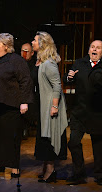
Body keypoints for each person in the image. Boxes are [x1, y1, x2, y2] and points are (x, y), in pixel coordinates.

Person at [0, 33, 33, 177]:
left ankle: (14, 165)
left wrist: (24, 101)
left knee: (11, 137)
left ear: (6, 46)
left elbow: (25, 81)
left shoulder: (16, 60)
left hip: (10, 104)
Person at [64, 40, 102, 186]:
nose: (94, 49)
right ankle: (79, 173)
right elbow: (69, 79)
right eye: (92, 47)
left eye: (98, 48)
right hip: (80, 111)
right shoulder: (79, 63)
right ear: (89, 50)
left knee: (99, 145)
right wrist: (69, 77)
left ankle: (100, 174)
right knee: (73, 142)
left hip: (99, 113)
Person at [31, 31, 68, 183]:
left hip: (50, 105)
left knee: (50, 136)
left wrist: (54, 106)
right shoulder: (40, 61)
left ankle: (51, 170)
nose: (32, 42)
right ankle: (46, 167)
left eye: (34, 40)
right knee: (43, 136)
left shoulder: (49, 63)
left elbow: (57, 85)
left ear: (42, 44)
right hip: (42, 104)